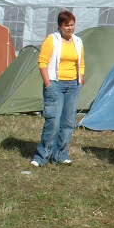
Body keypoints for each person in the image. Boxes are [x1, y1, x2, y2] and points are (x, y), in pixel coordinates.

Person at [31, 10, 85, 167]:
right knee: (53, 122)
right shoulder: (52, 40)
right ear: (60, 26)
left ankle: (61, 155)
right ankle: (42, 156)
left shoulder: (78, 41)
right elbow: (42, 62)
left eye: (72, 25)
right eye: (67, 25)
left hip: (73, 85)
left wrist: (81, 77)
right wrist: (48, 83)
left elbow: (81, 62)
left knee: (68, 122)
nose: (70, 28)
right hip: (55, 84)